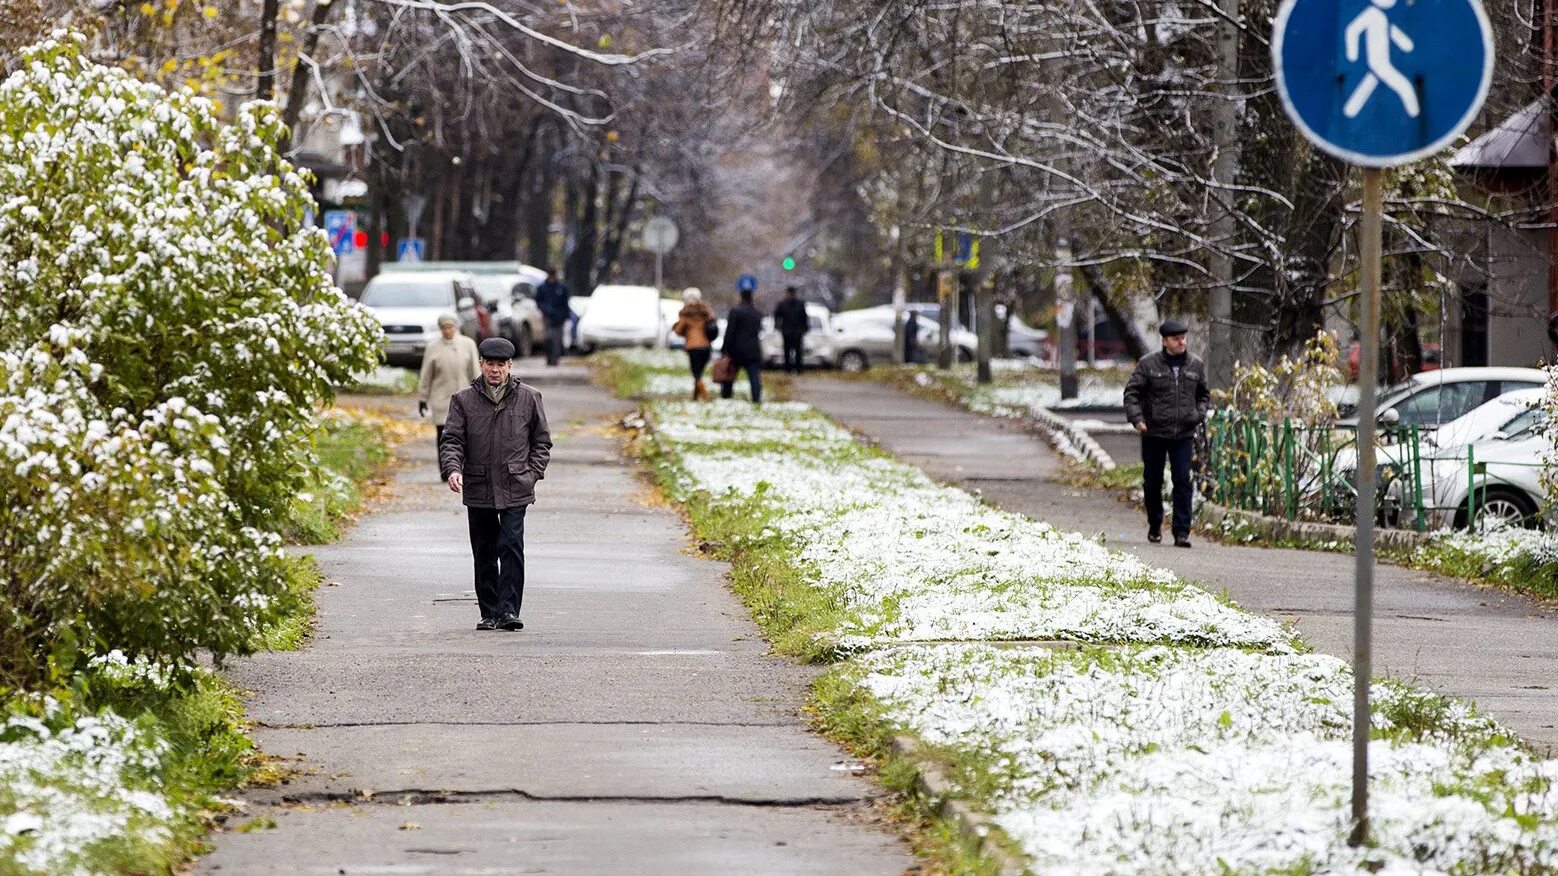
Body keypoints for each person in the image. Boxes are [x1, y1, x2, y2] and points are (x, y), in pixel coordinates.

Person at [439, 337, 553, 631]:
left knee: (511, 545)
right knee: (485, 550)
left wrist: (531, 474)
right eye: (490, 364)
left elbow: (541, 442)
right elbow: (452, 440)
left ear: (509, 366)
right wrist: (453, 469)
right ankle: (489, 612)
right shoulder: (463, 400)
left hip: (516, 485)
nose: (495, 370)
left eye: (500, 365)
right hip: (478, 485)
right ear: (481, 365)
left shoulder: (529, 397)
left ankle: (509, 610)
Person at [1123, 319, 1210, 548]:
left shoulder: (1195, 365)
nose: (1181, 342)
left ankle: (1182, 531)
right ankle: (1155, 523)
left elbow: (1203, 394)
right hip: (1154, 432)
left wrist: (1198, 414)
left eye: (1183, 338)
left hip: (1183, 433)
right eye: (1176, 339)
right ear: (1165, 341)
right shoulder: (1148, 365)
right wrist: (1138, 419)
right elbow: (1131, 393)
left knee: (1182, 480)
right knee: (1153, 481)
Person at [416, 314, 480, 458]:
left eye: (450, 327)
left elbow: (475, 371)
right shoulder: (433, 347)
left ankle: (462, 468)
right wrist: (422, 398)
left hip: (464, 398)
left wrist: (480, 393)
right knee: (443, 435)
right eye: (444, 328)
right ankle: (445, 468)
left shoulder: (468, 344)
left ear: (455, 327)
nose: (447, 331)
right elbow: (426, 374)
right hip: (441, 399)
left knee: (465, 435)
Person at [719, 288, 764, 404]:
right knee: (754, 377)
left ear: (741, 297)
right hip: (753, 349)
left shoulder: (735, 311)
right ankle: (756, 398)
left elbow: (730, 332)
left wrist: (724, 349)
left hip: (736, 349)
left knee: (729, 375)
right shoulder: (757, 313)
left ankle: (726, 396)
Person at [672, 287, 716, 400]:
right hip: (706, 347)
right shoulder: (705, 312)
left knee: (696, 374)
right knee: (699, 373)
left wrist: (677, 326)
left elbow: (678, 331)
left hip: (693, 347)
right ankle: (695, 397)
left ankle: (704, 396)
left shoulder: (686, 314)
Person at [534, 268, 570, 367]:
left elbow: (565, 303)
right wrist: (546, 310)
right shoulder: (542, 287)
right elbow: (538, 301)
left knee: (557, 339)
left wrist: (565, 315)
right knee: (548, 337)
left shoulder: (562, 287)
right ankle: (549, 357)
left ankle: (555, 358)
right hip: (547, 316)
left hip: (559, 317)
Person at [773, 285, 809, 374]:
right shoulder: (782, 304)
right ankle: (787, 368)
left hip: (797, 331)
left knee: (798, 351)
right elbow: (777, 315)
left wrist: (804, 328)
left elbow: (804, 317)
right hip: (787, 331)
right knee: (787, 351)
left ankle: (798, 368)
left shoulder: (800, 304)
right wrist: (778, 326)